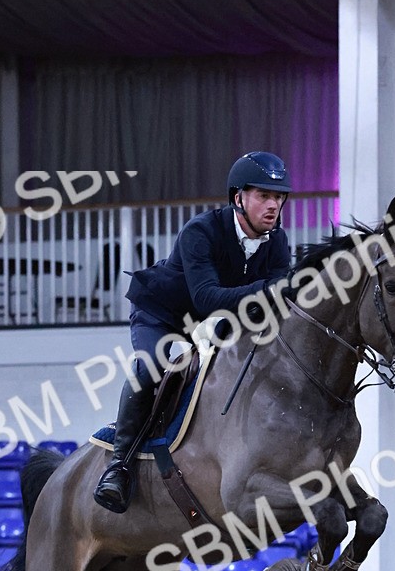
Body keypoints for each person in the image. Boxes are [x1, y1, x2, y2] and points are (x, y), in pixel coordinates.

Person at [94, 151, 293, 513]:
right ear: (238, 198)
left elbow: (276, 302)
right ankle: (118, 467)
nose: (273, 205)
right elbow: (206, 299)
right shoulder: (201, 231)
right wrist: (268, 288)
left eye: (279, 197)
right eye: (264, 195)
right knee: (152, 365)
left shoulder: (277, 242)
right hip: (164, 315)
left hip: (216, 324)